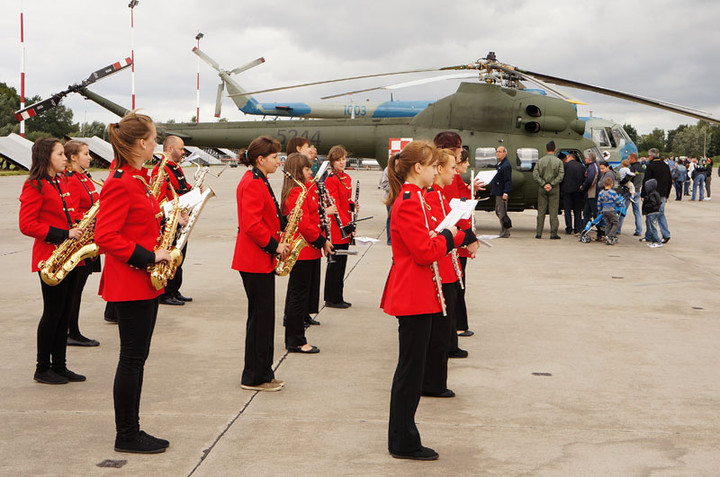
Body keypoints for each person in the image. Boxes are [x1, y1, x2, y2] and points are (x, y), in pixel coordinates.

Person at [381, 140, 465, 461]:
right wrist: (450, 236)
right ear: (418, 168)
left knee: (412, 370)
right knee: (410, 371)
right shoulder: (410, 200)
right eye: (432, 166)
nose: (436, 172)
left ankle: (405, 435)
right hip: (414, 294)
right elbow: (423, 252)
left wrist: (440, 237)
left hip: (421, 293)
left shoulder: (415, 197)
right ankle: (402, 439)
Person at [94, 112, 173, 453]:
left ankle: (130, 430)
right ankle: (127, 434)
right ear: (141, 143)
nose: (156, 143)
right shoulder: (120, 182)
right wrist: (150, 256)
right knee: (131, 358)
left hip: (143, 282)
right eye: (154, 138)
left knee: (137, 357)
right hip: (131, 280)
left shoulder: (138, 179)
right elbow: (105, 236)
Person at [19, 137, 86, 385]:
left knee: (65, 312)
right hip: (50, 257)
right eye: (60, 154)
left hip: (69, 255)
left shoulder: (60, 181)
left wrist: (81, 223)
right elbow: (26, 225)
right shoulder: (34, 185)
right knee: (52, 312)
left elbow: (68, 214)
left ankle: (60, 366)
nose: (65, 158)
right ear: (47, 156)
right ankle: (42, 368)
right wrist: (64, 234)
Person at [231, 136, 288, 392]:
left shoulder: (259, 179)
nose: (279, 161)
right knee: (260, 319)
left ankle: (264, 371)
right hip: (254, 260)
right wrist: (275, 246)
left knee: (264, 319)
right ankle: (253, 376)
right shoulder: (253, 183)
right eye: (275, 157)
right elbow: (251, 224)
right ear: (260, 159)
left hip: (259, 259)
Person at [425, 149, 479, 365]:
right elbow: (442, 232)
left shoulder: (436, 194)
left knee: (446, 316)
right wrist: (466, 238)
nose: (455, 172)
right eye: (452, 167)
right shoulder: (428, 195)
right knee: (440, 325)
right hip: (439, 263)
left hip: (447, 260)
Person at [280, 152, 334, 354]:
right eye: (305, 169)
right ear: (297, 171)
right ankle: (295, 340)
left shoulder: (304, 188)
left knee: (303, 296)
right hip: (302, 250)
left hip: (309, 250)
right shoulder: (295, 192)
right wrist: (322, 240)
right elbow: (304, 223)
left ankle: (297, 337)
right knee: (298, 297)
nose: (309, 171)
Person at [432, 132, 473, 338]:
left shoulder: (447, 179)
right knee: (451, 288)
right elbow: (451, 212)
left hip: (451, 239)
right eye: (458, 149)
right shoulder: (440, 183)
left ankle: (453, 332)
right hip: (448, 241)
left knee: (454, 287)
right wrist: (467, 237)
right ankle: (453, 332)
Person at [63, 140, 101, 347]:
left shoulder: (84, 178)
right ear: (73, 158)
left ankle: (73, 329)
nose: (89, 157)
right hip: (79, 241)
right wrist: (90, 221)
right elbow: (72, 213)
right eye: (85, 154)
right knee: (74, 290)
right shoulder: (71, 180)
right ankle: (71, 332)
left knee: (78, 289)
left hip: (89, 238)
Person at [151, 135, 193, 306]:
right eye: (181, 149)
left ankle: (174, 290)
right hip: (171, 221)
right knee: (171, 256)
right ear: (170, 149)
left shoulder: (174, 167)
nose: (183, 152)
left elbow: (182, 188)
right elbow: (159, 199)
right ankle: (166, 293)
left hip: (180, 218)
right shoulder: (160, 170)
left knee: (180, 256)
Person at [323, 145, 354, 308]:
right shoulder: (331, 180)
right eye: (338, 160)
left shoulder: (346, 178)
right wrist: (346, 224)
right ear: (332, 162)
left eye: (343, 159)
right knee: (335, 264)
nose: (342, 162)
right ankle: (331, 298)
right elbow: (334, 205)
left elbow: (345, 201)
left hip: (346, 224)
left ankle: (338, 296)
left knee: (342, 263)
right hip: (336, 227)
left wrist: (353, 205)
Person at [532, 140, 564, 239]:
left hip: (542, 189)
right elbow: (561, 175)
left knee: (541, 211)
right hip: (554, 189)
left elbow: (535, 174)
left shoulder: (540, 161)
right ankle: (553, 233)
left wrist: (544, 184)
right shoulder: (559, 162)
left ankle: (538, 233)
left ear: (546, 149)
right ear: (555, 149)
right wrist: (552, 184)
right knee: (553, 212)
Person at [641, 148, 672, 244]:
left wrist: (643, 194)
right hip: (662, 194)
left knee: (650, 215)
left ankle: (650, 235)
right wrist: (667, 194)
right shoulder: (665, 166)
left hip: (652, 195)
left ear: (650, 156)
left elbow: (646, 181)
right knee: (661, 214)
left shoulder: (650, 166)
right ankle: (665, 234)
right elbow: (670, 181)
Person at [559, 152, 585, 235]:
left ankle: (569, 228)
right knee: (577, 211)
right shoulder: (581, 166)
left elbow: (561, 178)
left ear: (569, 157)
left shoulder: (565, 166)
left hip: (567, 191)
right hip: (578, 191)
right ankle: (577, 228)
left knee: (567, 210)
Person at [490, 146, 513, 237]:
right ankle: (505, 229)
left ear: (504, 153)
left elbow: (508, 180)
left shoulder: (506, 165)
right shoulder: (500, 164)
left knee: (502, 212)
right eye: (497, 152)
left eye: (500, 152)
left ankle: (504, 232)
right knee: (498, 211)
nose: (497, 153)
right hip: (498, 192)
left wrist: (506, 192)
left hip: (501, 192)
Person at [596, 177, 624, 245]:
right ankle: (610, 236)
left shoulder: (601, 193)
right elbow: (617, 201)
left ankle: (607, 236)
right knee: (616, 223)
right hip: (611, 210)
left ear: (603, 184)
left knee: (608, 224)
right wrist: (621, 204)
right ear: (611, 184)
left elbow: (599, 203)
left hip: (604, 210)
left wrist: (600, 210)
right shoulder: (613, 193)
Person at [580, 151, 600, 230]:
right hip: (590, 194)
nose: (585, 160)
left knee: (594, 213)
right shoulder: (593, 166)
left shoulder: (592, 168)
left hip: (593, 193)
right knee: (586, 212)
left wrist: (583, 187)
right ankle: (584, 229)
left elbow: (590, 180)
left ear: (589, 159)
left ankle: (600, 231)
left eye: (586, 158)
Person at [641, 178, 663, 248]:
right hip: (653, 212)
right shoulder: (654, 193)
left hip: (651, 212)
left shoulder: (652, 194)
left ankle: (657, 241)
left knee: (653, 227)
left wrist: (647, 206)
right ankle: (654, 241)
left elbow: (653, 203)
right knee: (652, 227)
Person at [380, 167, 391, 245]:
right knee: (391, 218)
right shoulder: (388, 169)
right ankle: (390, 239)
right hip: (390, 198)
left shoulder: (406, 168)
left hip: (403, 197)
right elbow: (384, 184)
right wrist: (395, 189)